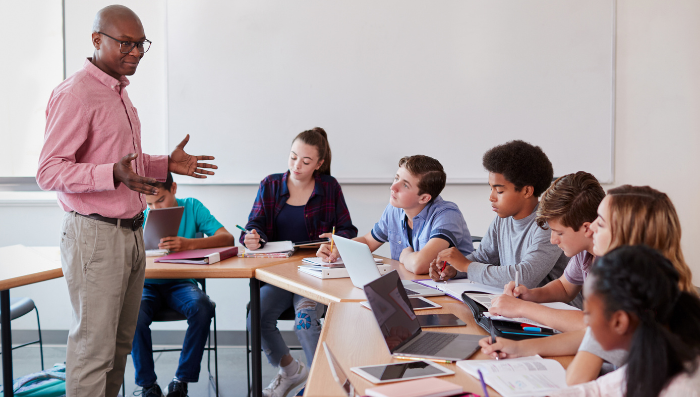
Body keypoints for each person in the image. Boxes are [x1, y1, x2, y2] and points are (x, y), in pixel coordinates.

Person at [36, 5, 216, 396]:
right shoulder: (75, 94)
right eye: (125, 43)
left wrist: (167, 162)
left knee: (118, 350)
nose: (135, 52)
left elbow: (124, 164)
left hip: (132, 233)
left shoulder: (118, 93)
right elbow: (49, 172)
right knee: (93, 352)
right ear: (97, 40)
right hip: (95, 235)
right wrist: (111, 174)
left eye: (140, 44)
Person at [479, 185, 696, 385]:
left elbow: (578, 375)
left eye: (600, 222)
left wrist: (523, 313)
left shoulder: (632, 297)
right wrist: (520, 348)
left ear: (624, 236)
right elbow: (591, 334)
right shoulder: (654, 286)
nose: (590, 227)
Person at [241, 128, 357, 397]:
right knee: (255, 318)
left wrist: (333, 244)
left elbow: (347, 230)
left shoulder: (329, 187)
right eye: (293, 157)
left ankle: (323, 382)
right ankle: (292, 371)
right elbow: (253, 225)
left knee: (305, 320)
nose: (297, 166)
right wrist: (252, 237)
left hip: (315, 274)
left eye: (306, 161)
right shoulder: (270, 185)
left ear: (319, 164)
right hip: (279, 274)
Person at [132, 172, 234, 397]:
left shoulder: (192, 207)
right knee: (132, 313)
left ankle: (181, 381)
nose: (156, 208)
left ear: (174, 189)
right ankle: (148, 385)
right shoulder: (138, 214)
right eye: (150, 203)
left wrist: (189, 244)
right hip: (146, 284)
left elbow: (227, 239)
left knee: (202, 307)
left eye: (161, 200)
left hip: (181, 283)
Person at [550, 245, 700, 397]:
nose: (586, 323)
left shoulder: (683, 387)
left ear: (619, 322)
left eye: (588, 313)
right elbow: (598, 389)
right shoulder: (650, 354)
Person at [428, 140, 569, 290]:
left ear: (527, 191)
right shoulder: (503, 219)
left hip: (554, 307)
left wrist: (467, 266)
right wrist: (454, 269)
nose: (491, 197)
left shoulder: (549, 224)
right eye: (491, 189)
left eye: (499, 191)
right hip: (515, 304)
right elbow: (482, 258)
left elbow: (525, 277)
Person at [317, 155, 473, 275]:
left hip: (450, 293)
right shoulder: (395, 209)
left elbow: (420, 264)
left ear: (424, 198)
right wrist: (341, 249)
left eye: (405, 184)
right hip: (411, 284)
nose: (393, 187)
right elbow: (368, 241)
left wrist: (405, 256)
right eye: (396, 178)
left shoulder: (447, 214)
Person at [488, 171, 605, 330]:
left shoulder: (613, 260)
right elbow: (564, 288)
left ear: (586, 228)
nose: (553, 240)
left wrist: (522, 308)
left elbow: (595, 324)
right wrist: (530, 296)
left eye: (559, 233)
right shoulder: (584, 251)